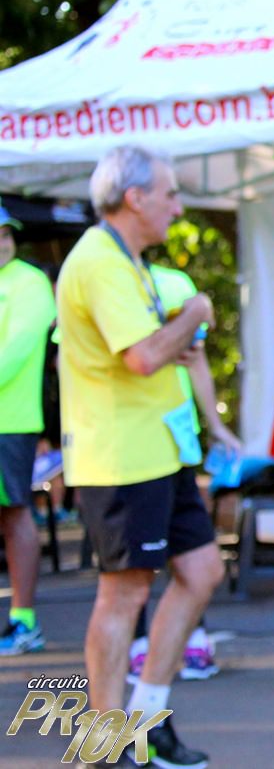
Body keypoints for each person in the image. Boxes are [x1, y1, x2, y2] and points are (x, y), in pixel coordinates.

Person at [57, 146, 226, 768]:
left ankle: (145, 719)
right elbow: (143, 356)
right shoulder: (99, 261)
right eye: (170, 194)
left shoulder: (127, 260)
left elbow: (149, 347)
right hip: (120, 458)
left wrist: (178, 332)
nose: (178, 208)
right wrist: (194, 313)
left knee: (202, 573)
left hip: (159, 450)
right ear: (135, 198)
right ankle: (104, 748)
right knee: (122, 596)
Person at [126, 263, 242, 684]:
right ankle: (137, 645)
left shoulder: (176, 283)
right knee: (134, 564)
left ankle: (193, 637)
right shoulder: (104, 275)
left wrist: (215, 424)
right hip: (127, 446)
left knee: (195, 557)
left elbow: (196, 361)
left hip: (176, 442)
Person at [0, 201, 55, 656]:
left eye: (5, 234)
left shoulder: (30, 282)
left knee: (14, 514)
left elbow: (17, 349)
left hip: (10, 423)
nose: (3, 243)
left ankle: (24, 620)